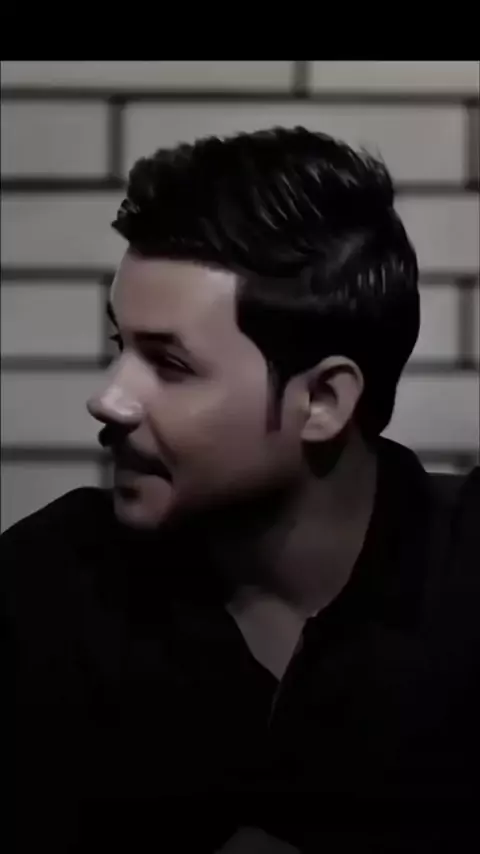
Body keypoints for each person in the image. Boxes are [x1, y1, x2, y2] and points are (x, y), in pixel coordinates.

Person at [4, 127, 479, 853]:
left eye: (170, 364)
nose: (110, 399)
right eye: (121, 347)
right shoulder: (46, 585)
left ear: (324, 400)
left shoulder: (465, 579)